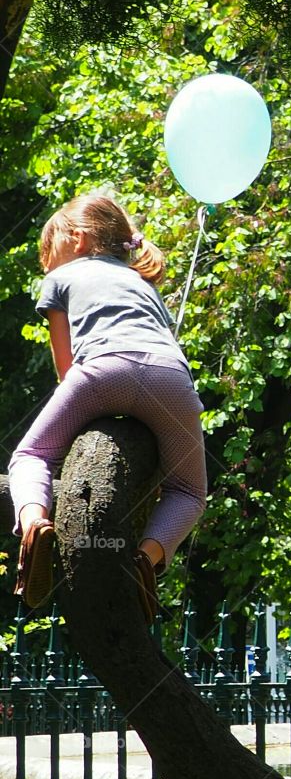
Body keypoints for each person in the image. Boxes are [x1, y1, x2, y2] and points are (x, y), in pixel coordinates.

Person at [7, 192, 207, 621]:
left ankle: (34, 526)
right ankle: (147, 560)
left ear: (76, 240)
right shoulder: (143, 282)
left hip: (100, 370)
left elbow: (66, 367)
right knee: (189, 491)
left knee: (31, 454)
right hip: (170, 378)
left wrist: (92, 405)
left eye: (50, 251)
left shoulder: (61, 279)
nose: (48, 263)